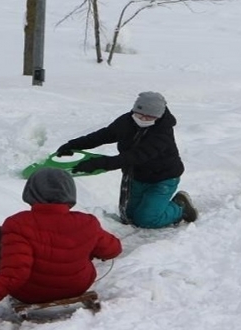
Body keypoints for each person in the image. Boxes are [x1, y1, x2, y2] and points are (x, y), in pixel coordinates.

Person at [0, 168, 122, 309]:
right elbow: (113, 250)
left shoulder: (18, 224)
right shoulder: (87, 222)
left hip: (31, 293)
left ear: (31, 192)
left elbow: (16, 272)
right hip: (77, 287)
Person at [54, 91, 197, 229]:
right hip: (137, 177)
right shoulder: (126, 121)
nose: (143, 119)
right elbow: (103, 135)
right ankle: (157, 207)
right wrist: (72, 145)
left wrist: (99, 164)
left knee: (146, 220)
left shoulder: (162, 133)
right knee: (130, 216)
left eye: (149, 118)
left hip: (163, 179)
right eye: (139, 115)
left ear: (158, 117)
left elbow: (134, 157)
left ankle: (180, 207)